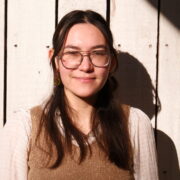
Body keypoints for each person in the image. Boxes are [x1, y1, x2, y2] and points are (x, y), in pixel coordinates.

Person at [0, 10, 158, 180]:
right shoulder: (24, 128)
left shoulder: (134, 124)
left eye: (97, 53)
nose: (86, 66)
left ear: (111, 62)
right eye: (72, 53)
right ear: (55, 60)